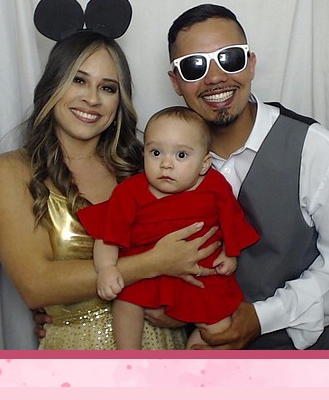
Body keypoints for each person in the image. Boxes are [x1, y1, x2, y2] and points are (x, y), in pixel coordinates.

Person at [0, 0, 209, 350]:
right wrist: (154, 263)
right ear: (53, 85)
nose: (92, 99)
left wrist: (182, 311)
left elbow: (199, 244)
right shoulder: (11, 171)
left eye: (107, 87)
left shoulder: (148, 167)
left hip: (168, 352)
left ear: (120, 100)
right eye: (78, 80)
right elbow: (36, 285)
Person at [163, 5, 329, 349]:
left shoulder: (320, 154)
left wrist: (262, 318)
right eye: (194, 66)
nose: (215, 77)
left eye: (229, 58)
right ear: (175, 82)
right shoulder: (162, 159)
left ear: (250, 64)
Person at [81, 107, 259, 350]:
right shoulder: (129, 192)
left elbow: (231, 221)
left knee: (222, 331)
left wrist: (230, 253)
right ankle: (128, 356)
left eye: (181, 155)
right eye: (156, 153)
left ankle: (193, 356)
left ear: (204, 164)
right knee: (126, 302)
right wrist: (107, 269)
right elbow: (108, 235)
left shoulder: (215, 186)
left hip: (200, 278)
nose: (166, 164)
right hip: (145, 274)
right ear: (143, 154)